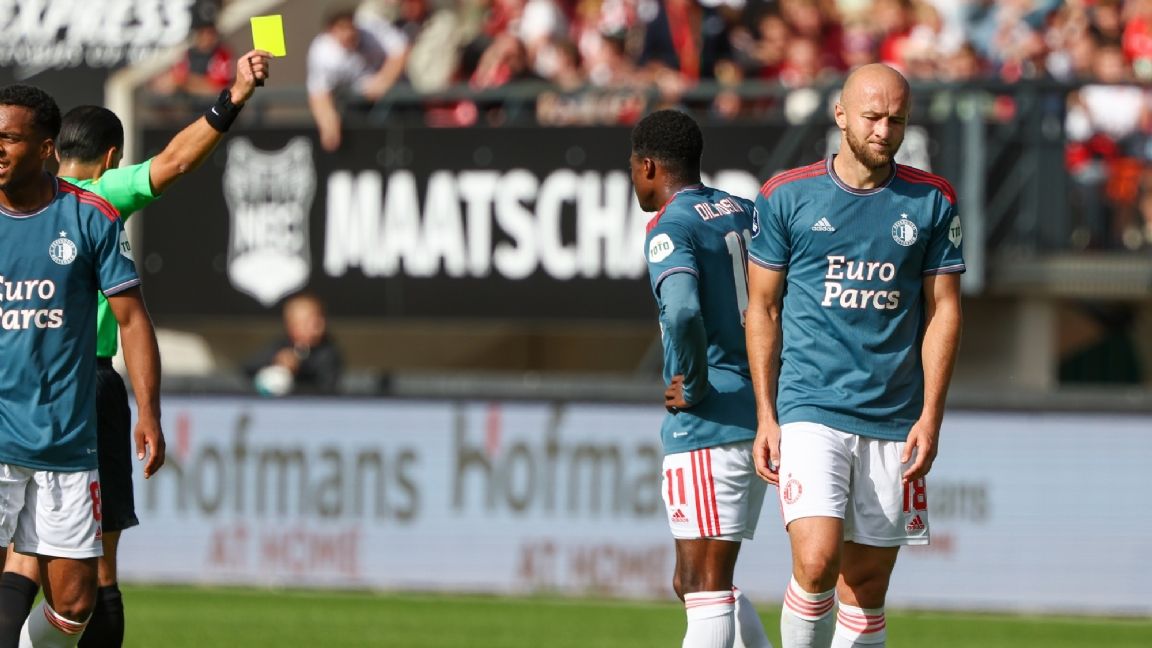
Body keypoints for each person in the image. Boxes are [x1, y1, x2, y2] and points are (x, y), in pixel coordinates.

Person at [0, 51, 271, 648]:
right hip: (75, 389)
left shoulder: (71, 202)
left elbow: (131, 315)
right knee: (96, 572)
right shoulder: (106, 192)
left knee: (44, 573)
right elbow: (176, 161)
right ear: (112, 156)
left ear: (50, 149)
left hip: (51, 396)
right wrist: (235, 96)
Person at [744, 63, 964, 648]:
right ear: (840, 114)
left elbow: (944, 311)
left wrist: (930, 417)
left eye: (897, 119)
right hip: (810, 406)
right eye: (872, 116)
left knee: (866, 586)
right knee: (817, 561)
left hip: (894, 417)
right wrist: (765, 414)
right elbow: (762, 309)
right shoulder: (787, 195)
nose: (884, 130)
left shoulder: (932, 200)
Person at [0, 84, 164, 648]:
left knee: (73, 606)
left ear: (46, 148)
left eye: (9, 138)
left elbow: (132, 320)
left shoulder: (90, 216)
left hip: (66, 440)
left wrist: (148, 411)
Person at [633, 109, 774, 648]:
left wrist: (692, 382)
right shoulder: (743, 210)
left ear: (648, 166)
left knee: (705, 588)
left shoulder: (671, 226)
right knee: (697, 581)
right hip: (756, 409)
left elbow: (683, 310)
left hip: (709, 418)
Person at [307, 6, 409, 152]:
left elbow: (401, 49)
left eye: (350, 27)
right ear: (330, 31)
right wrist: (328, 125)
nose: (349, 33)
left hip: (395, 94)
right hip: (357, 103)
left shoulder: (370, 27)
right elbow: (319, 94)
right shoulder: (322, 52)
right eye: (342, 28)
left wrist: (384, 80)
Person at [244, 291, 344, 396]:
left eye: (320, 319)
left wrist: (298, 369)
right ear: (292, 325)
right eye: (309, 321)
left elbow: (326, 388)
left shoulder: (328, 351)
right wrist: (276, 363)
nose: (318, 325)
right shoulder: (280, 345)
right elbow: (247, 369)